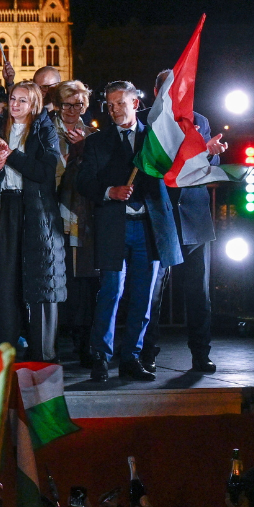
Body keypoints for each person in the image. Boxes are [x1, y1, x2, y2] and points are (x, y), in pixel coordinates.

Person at [79, 82, 183, 383]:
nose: (114, 110)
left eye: (120, 104)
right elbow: (84, 182)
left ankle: (132, 358)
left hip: (148, 228)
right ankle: (100, 356)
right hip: (114, 226)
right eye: (109, 105)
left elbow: (178, 168)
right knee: (111, 292)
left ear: (136, 103)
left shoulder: (155, 138)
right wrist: (110, 191)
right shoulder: (98, 142)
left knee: (143, 296)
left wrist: (208, 154)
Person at [0, 80, 68, 362]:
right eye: (13, 98)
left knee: (40, 280)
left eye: (23, 100)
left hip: (36, 210)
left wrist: (11, 154)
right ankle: (5, 347)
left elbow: (44, 172)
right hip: (5, 205)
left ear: (33, 103)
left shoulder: (44, 130)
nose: (16, 105)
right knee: (5, 278)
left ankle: (42, 352)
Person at [153, 68, 227, 373]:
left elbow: (213, 162)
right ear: (157, 91)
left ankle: (200, 353)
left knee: (199, 293)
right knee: (152, 293)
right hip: (160, 217)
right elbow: (157, 165)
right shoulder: (148, 121)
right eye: (170, 89)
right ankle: (145, 354)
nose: (177, 94)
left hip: (194, 218)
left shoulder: (201, 120)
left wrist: (210, 153)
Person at [55, 80, 99, 365]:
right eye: (67, 104)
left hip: (83, 215)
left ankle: (85, 341)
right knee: (58, 277)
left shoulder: (94, 136)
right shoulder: (46, 131)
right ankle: (53, 341)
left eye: (78, 104)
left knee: (84, 280)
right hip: (54, 212)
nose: (73, 110)